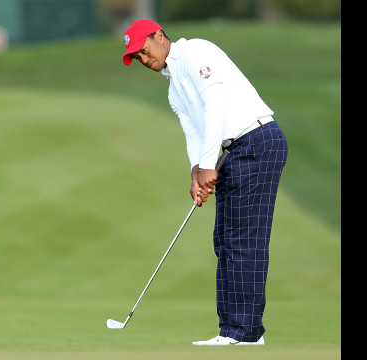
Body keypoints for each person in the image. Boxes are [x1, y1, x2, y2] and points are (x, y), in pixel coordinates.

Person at [121, 19, 288, 345]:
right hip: (230, 153)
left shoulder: (196, 51)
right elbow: (194, 133)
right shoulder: (173, 89)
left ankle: (246, 334)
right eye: (137, 57)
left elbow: (216, 107)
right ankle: (231, 330)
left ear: (158, 36)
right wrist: (197, 173)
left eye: (144, 50)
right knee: (224, 240)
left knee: (243, 240)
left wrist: (209, 165)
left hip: (256, 142)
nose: (144, 59)